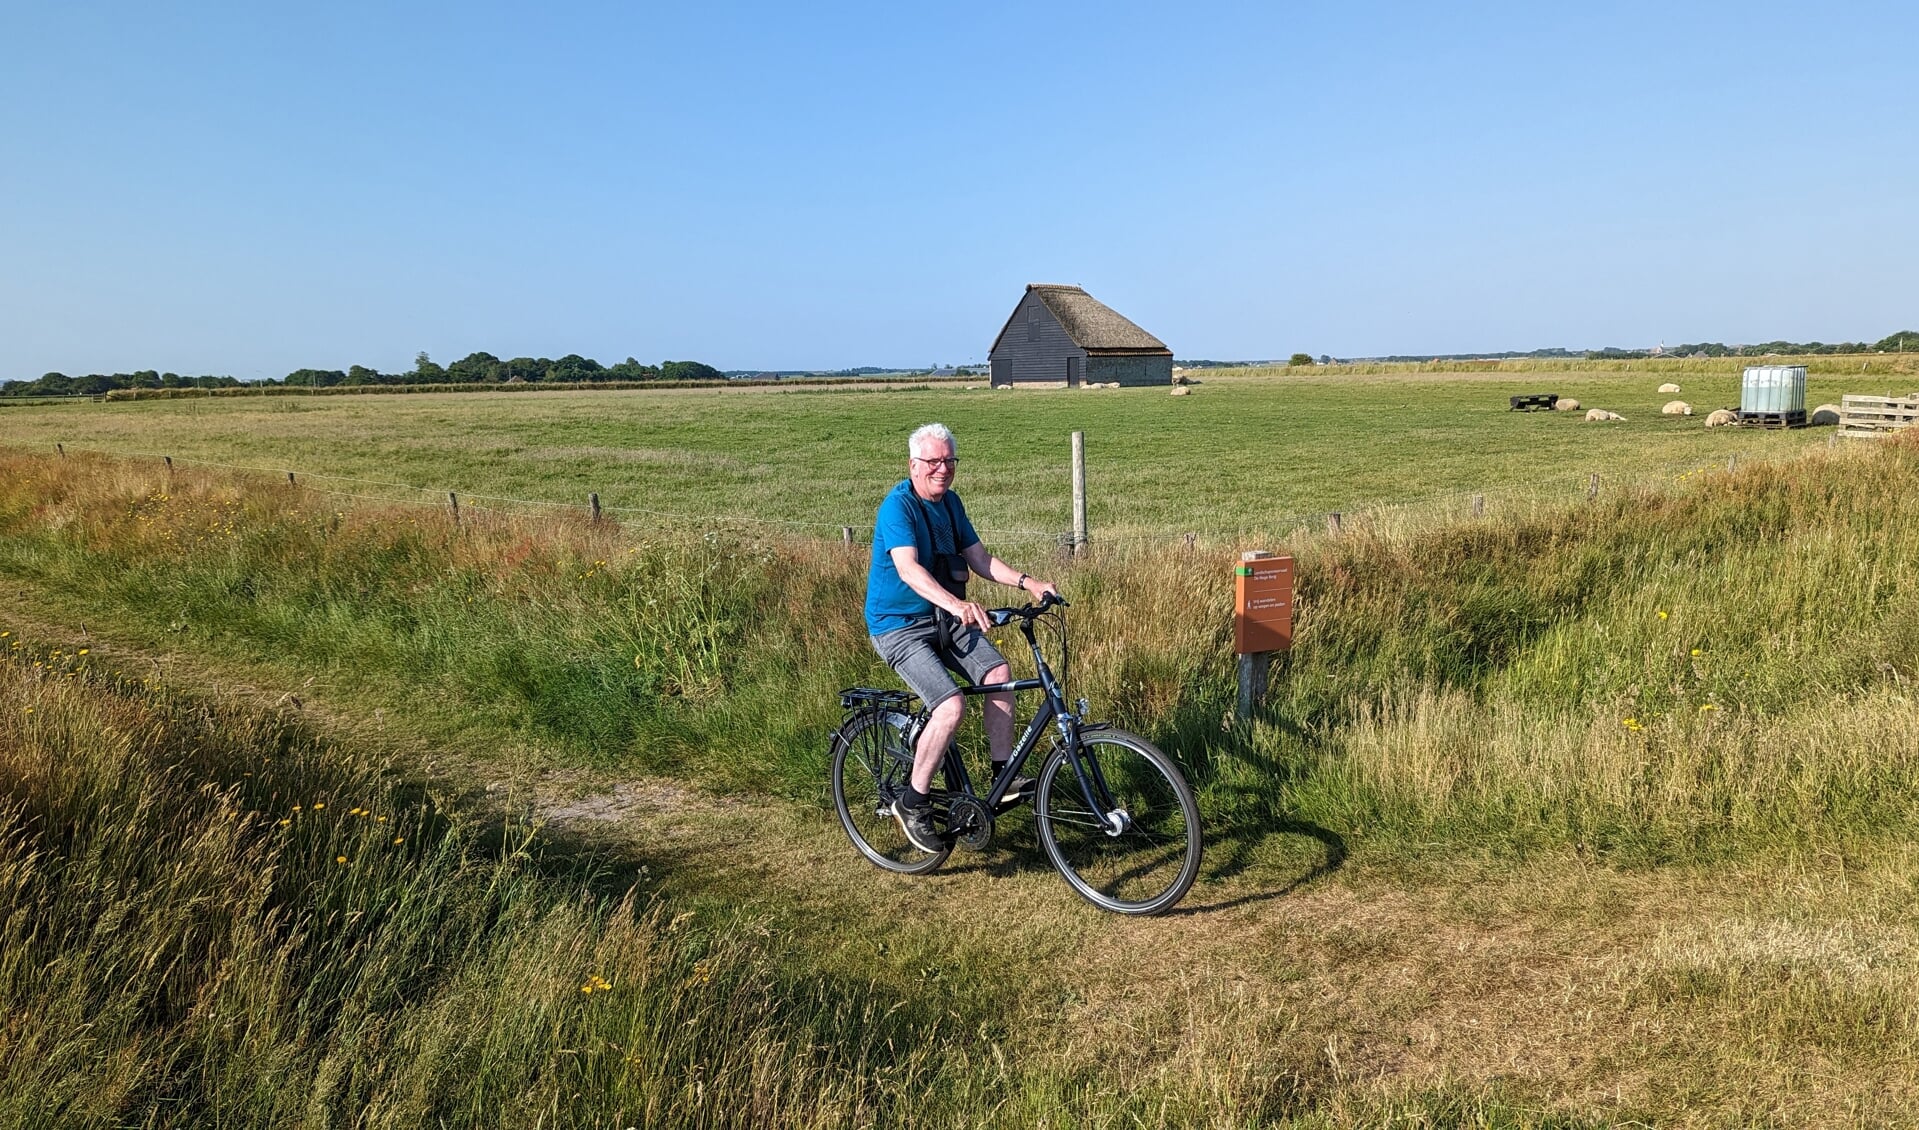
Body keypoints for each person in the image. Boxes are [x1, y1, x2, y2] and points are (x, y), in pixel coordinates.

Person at [865, 422, 1059, 853]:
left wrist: (1029, 583)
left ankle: (1001, 774)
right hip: (898, 625)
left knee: (999, 674)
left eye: (949, 461)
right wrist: (956, 606)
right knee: (950, 706)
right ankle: (912, 802)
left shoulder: (950, 504)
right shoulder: (898, 507)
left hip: (944, 619)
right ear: (914, 465)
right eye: (933, 461)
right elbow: (908, 569)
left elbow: (979, 559)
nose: (943, 469)